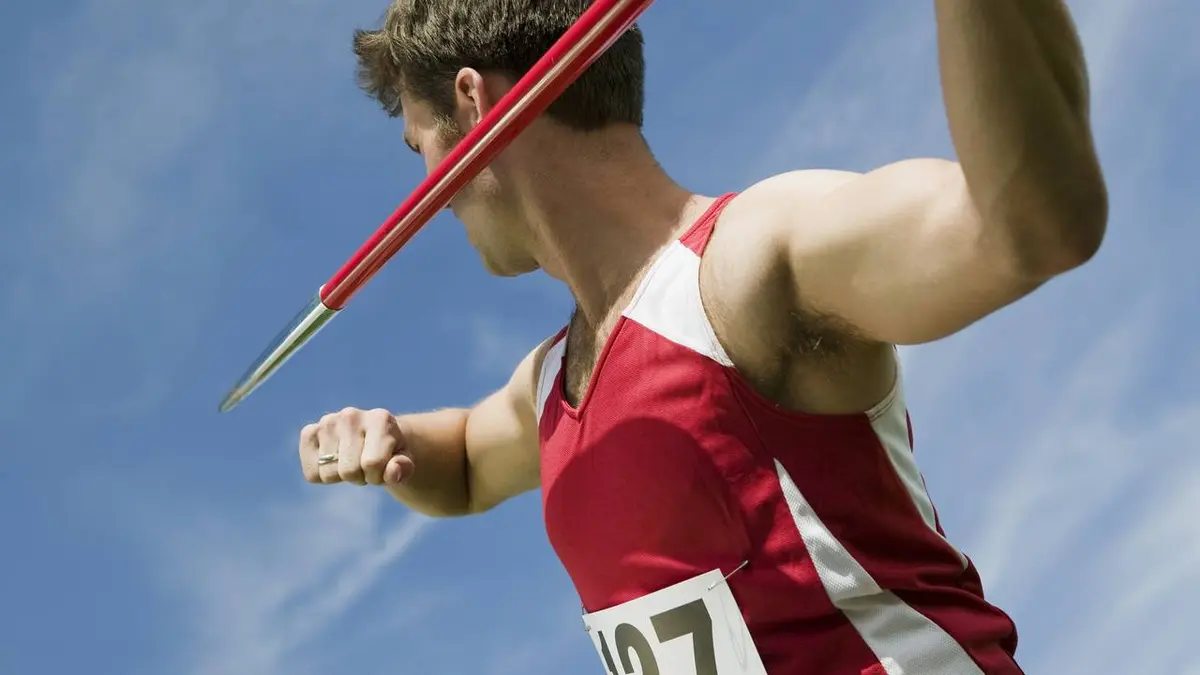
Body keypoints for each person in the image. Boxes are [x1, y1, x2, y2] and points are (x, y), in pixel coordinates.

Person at [297, 1, 1107, 673]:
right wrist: (389, 436)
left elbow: (1026, 228)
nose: (428, 194)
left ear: (473, 104)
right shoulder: (551, 384)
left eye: (419, 146)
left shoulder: (747, 265)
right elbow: (469, 461)